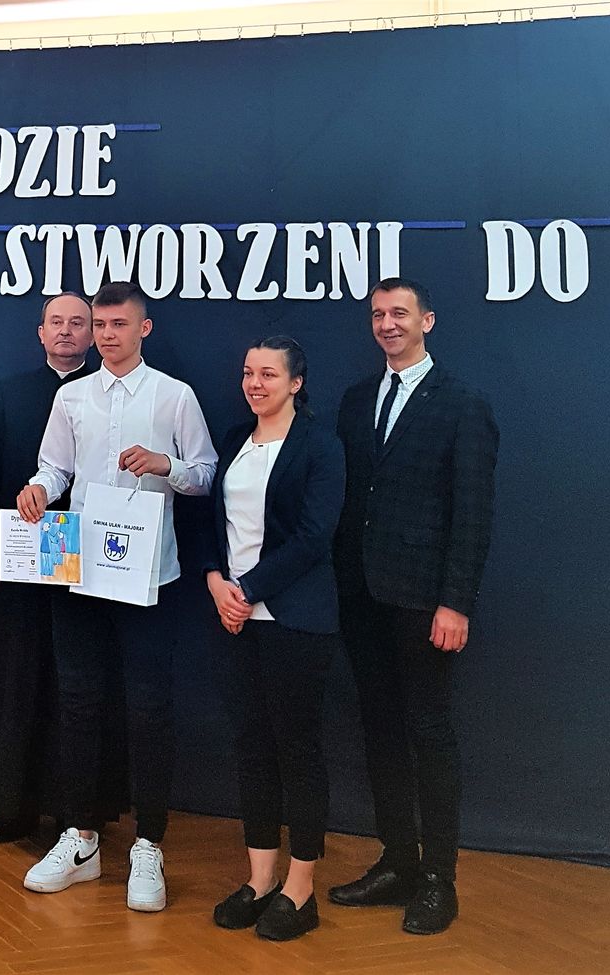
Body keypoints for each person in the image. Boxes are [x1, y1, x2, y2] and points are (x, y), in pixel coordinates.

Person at [16, 280, 217, 912]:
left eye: (118, 325)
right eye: (99, 325)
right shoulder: (71, 396)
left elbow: (205, 473)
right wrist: (39, 489)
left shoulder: (174, 395)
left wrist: (165, 465)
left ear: (143, 328)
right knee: (78, 703)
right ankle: (81, 839)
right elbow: (55, 468)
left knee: (148, 709)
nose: (106, 335)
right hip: (80, 571)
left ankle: (149, 844)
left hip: (148, 578)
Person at [330, 278, 498, 935]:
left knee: (429, 733)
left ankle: (438, 880)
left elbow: (473, 514)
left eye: (399, 313)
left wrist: (456, 602)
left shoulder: (463, 403)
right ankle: (399, 861)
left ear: (426, 320)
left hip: (425, 601)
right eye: (378, 314)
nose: (387, 323)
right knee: (379, 730)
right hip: (362, 597)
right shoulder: (355, 400)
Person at [0, 293, 125, 843]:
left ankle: (73, 811)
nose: (66, 331)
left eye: (78, 323)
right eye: (56, 322)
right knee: (18, 679)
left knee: (75, 684)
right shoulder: (11, 392)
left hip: (91, 564)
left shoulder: (108, 395)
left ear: (93, 334)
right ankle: (12, 806)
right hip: (20, 559)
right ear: (40, 332)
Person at [204, 336, 344, 941]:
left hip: (295, 619)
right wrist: (216, 582)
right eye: (247, 373)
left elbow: (314, 537)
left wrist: (248, 589)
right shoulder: (235, 438)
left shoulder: (321, 445)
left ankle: (300, 888)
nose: (254, 384)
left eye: (268, 374)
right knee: (253, 747)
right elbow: (213, 522)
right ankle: (261, 880)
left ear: (296, 383)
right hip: (235, 619)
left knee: (298, 751)